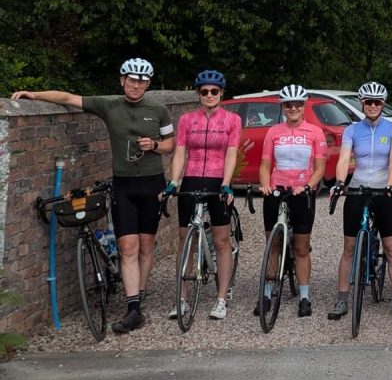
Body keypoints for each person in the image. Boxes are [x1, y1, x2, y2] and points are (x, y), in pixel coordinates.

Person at [12, 58, 174, 333]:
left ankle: (140, 291)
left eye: (142, 81)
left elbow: (172, 144)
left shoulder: (158, 109)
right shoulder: (108, 105)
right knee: (128, 247)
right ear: (122, 80)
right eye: (132, 80)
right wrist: (34, 95)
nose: (137, 85)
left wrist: (155, 145)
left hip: (152, 183)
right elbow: (68, 98)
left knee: (147, 244)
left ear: (148, 84)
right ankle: (133, 308)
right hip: (123, 184)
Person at [162, 70, 241, 320]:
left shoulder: (232, 120)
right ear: (198, 94)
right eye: (204, 91)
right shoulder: (187, 120)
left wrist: (226, 184)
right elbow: (180, 151)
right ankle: (182, 298)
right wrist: (173, 181)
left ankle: (221, 298)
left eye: (214, 91)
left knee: (221, 240)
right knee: (184, 240)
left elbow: (231, 153)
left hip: (218, 179)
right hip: (192, 176)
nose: (209, 95)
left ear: (221, 94)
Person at [328, 81, 392, 321]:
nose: (373, 106)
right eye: (368, 102)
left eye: (377, 102)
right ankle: (342, 299)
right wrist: (340, 182)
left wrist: (391, 184)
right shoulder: (352, 130)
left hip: (383, 190)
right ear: (362, 104)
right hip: (358, 188)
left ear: (382, 104)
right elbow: (344, 159)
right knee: (349, 248)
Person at [256, 85, 326, 318]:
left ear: (304, 106)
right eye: (288, 105)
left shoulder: (315, 132)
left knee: (301, 248)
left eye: (297, 104)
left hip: (302, 193)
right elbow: (265, 164)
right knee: (273, 245)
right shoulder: (273, 132)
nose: (293, 108)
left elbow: (320, 168)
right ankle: (267, 294)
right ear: (283, 107)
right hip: (277, 189)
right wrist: (265, 184)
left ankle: (305, 297)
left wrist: (307, 186)